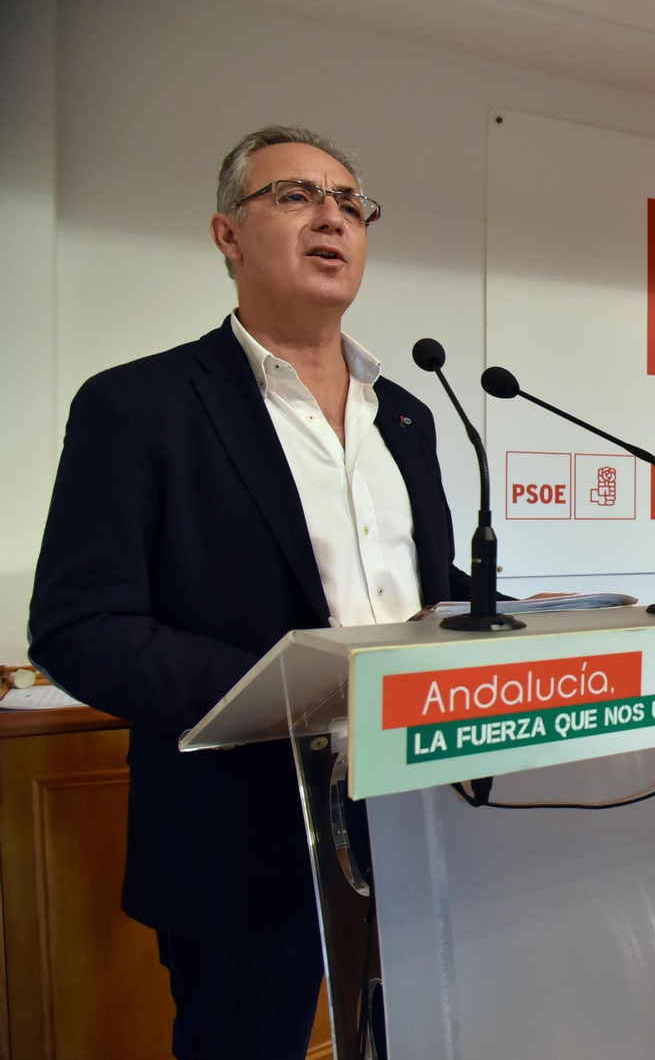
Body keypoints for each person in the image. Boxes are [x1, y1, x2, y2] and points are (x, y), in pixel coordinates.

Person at [28, 126, 471, 1060]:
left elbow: (418, 586)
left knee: (424, 1035)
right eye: (296, 196)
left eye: (351, 203)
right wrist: (288, 695)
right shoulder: (138, 406)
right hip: (240, 826)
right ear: (227, 234)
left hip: (419, 803)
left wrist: (524, 616)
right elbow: (79, 626)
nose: (332, 218)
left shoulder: (408, 413)